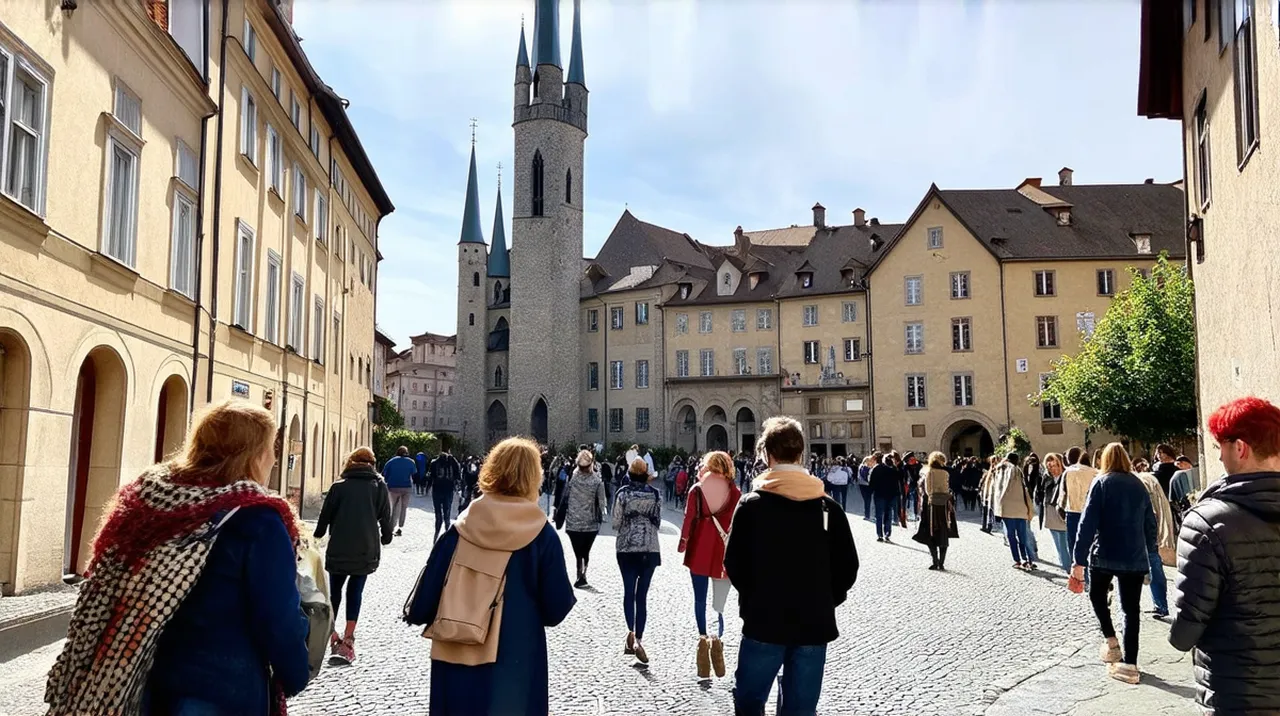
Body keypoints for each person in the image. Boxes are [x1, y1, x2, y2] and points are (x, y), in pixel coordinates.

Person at [46, 400, 310, 716]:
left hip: (137, 686)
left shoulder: (149, 499)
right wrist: (296, 674)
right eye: (271, 448)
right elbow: (279, 619)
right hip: (222, 690)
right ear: (253, 455)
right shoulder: (257, 521)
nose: (274, 459)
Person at [405, 437, 576, 716]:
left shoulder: (459, 529)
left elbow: (425, 599)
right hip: (516, 661)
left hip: (456, 652)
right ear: (534, 477)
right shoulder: (541, 536)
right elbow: (556, 609)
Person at [724, 416, 857, 715]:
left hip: (764, 622)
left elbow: (734, 563)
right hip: (813, 623)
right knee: (800, 710)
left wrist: (755, 597)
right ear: (801, 454)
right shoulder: (828, 507)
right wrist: (824, 599)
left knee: (749, 702)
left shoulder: (751, 505)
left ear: (767, 455)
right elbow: (848, 567)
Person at [1169, 397, 1280, 711]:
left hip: (1237, 693)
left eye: (1221, 446)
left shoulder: (1206, 522)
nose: (1219, 456)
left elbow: (1184, 633)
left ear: (1240, 448)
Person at [1071, 442, 1156, 685]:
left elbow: (1087, 524)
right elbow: (1150, 522)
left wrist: (1078, 559)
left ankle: (1111, 641)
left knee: (1097, 596)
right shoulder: (1139, 484)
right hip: (1134, 556)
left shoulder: (1101, 483)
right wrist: (1150, 552)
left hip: (1105, 554)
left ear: (1104, 460)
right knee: (1131, 610)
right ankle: (1130, 664)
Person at [314, 447, 394, 664]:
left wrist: (317, 534)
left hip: (339, 547)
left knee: (335, 593)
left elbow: (325, 516)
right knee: (355, 591)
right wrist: (387, 537)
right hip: (365, 548)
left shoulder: (339, 486)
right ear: (372, 463)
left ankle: (331, 634)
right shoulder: (378, 486)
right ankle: (349, 638)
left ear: (350, 462)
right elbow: (386, 517)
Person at [678, 451, 742, 680]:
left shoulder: (697, 489)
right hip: (723, 551)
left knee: (699, 599)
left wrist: (683, 542)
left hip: (699, 549)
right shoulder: (735, 492)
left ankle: (703, 643)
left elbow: (688, 518)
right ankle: (717, 642)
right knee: (719, 603)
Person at [613, 457, 663, 664]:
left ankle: (630, 632)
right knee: (641, 596)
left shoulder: (623, 494)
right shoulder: (655, 494)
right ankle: (639, 639)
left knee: (628, 592)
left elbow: (616, 522)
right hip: (649, 548)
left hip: (626, 548)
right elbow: (658, 521)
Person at [1133, 463, 1176, 619]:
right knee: (1153, 562)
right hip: (1148, 528)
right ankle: (1160, 605)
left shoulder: (1137, 482)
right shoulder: (1145, 479)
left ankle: (1159, 605)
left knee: (1150, 563)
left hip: (1143, 529)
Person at [563, 450, 608, 589]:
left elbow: (564, 495)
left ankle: (579, 573)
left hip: (573, 521)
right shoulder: (596, 480)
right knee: (586, 551)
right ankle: (583, 574)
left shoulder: (572, 478)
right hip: (590, 522)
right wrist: (603, 514)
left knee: (577, 551)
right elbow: (602, 502)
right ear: (591, 464)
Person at [913, 451, 958, 570]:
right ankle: (941, 562)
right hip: (944, 505)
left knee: (930, 533)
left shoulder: (929, 473)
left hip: (931, 506)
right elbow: (947, 488)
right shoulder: (945, 473)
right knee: (943, 532)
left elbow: (928, 491)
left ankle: (935, 561)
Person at [993, 452, 1035, 570]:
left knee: (1011, 536)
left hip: (1006, 508)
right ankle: (1026, 559)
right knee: (1022, 535)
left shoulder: (999, 470)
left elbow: (996, 490)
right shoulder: (1016, 470)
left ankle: (1017, 560)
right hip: (1020, 508)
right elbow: (1024, 489)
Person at [1059, 446, 1099, 561]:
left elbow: (1062, 496)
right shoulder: (1096, 473)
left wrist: (1062, 511)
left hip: (1073, 512)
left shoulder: (1068, 473)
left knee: (1075, 547)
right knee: (1093, 545)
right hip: (1093, 512)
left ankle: (1080, 575)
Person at [1041, 453, 1071, 570]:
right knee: (1058, 544)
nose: (1052, 469)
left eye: (1054, 465)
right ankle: (1066, 566)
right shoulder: (1046, 477)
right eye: (1049, 466)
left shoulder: (1067, 476)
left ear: (1061, 464)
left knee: (1065, 544)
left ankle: (1068, 568)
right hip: (1050, 512)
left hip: (1063, 512)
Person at [428, 449, 463, 541]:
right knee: (447, 510)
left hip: (437, 489)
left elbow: (430, 476)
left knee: (438, 511)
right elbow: (458, 475)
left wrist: (427, 487)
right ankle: (447, 528)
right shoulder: (452, 463)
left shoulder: (434, 463)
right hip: (448, 489)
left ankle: (437, 530)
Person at [383, 446, 416, 537]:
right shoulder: (411, 462)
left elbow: (384, 473)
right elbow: (414, 473)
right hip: (406, 488)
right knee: (403, 508)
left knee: (392, 507)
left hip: (393, 487)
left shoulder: (391, 461)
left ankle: (391, 526)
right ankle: (400, 527)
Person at [869, 452, 899, 542]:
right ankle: (887, 533)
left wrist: (872, 491)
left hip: (879, 495)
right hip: (890, 495)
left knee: (879, 515)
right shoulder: (893, 470)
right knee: (888, 515)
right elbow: (897, 483)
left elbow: (871, 483)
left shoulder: (876, 469)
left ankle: (879, 535)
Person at [904, 453, 923, 520]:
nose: (912, 461)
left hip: (917, 485)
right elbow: (905, 477)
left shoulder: (919, 465)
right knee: (907, 500)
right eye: (910, 460)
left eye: (913, 459)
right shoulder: (906, 467)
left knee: (916, 500)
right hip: (909, 485)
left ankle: (915, 513)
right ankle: (907, 514)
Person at [856, 456, 874, 521]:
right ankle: (867, 515)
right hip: (868, 485)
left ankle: (867, 514)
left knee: (866, 500)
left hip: (861, 485)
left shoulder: (860, 466)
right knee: (868, 500)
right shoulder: (868, 468)